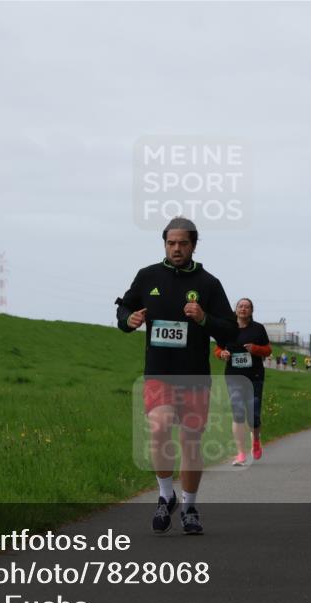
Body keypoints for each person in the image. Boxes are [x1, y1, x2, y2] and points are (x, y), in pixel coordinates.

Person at [116, 217, 235, 535]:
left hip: (194, 375)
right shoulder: (148, 276)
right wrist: (129, 320)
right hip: (159, 372)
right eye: (171, 243)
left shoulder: (209, 284)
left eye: (183, 243)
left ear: (194, 245)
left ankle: (189, 507)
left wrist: (204, 318)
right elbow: (123, 309)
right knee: (159, 426)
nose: (176, 248)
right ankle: (165, 495)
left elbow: (229, 331)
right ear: (165, 244)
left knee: (190, 442)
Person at [214, 298, 272, 466]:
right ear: (236, 309)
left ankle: (256, 441)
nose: (243, 309)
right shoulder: (227, 328)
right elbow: (218, 348)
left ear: (251, 311)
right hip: (233, 376)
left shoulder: (258, 328)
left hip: (255, 376)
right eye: (240, 306)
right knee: (238, 412)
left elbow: (268, 350)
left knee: (253, 415)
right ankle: (240, 453)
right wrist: (222, 354)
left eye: (247, 307)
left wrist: (256, 349)